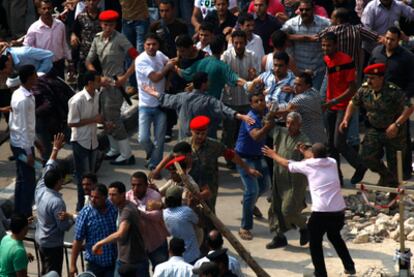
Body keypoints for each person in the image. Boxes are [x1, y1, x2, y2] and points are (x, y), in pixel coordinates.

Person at [264, 142, 356, 276]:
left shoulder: (307, 165)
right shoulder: (332, 162)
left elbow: (286, 163)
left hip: (321, 213)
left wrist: (273, 155)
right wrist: (304, 152)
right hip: (339, 211)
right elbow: (315, 156)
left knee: (315, 242)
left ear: (313, 155)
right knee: (335, 236)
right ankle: (349, 266)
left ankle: (320, 273)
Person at [339, 63, 414, 187]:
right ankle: (386, 176)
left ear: (381, 78)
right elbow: (353, 103)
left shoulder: (393, 91)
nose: (369, 81)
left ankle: (392, 197)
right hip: (375, 129)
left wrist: (397, 124)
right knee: (365, 157)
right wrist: (346, 119)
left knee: (394, 164)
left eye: (372, 78)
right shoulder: (365, 89)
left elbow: (410, 107)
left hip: (394, 132)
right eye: (368, 77)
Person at [86, 10, 138, 166]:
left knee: (114, 118)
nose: (107, 27)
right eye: (105, 24)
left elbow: (137, 57)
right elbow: (89, 60)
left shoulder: (120, 39)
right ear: (101, 24)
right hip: (102, 83)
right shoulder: (97, 39)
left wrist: (125, 77)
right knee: (104, 116)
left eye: (111, 24)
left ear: (115, 25)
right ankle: (114, 149)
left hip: (116, 83)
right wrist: (96, 77)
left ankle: (126, 154)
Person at [142, 71, 254, 140]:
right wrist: (242, 116)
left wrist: (151, 92)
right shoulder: (209, 100)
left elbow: (165, 98)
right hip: (204, 142)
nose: (209, 83)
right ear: (204, 84)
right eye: (208, 81)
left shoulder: (182, 97)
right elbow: (225, 110)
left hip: (185, 141)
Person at [183, 116, 262, 213]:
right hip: (190, 184)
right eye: (197, 133)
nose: (200, 136)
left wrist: (247, 168)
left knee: (208, 212)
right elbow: (170, 158)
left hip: (209, 185)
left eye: (203, 133)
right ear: (191, 131)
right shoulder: (184, 145)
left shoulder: (214, 145)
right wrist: (158, 170)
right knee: (188, 210)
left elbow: (231, 155)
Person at [321, 32, 367, 185]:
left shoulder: (347, 61)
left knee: (339, 142)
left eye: (328, 45)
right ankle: (336, 178)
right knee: (330, 144)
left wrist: (332, 101)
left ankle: (360, 165)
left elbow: (352, 89)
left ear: (336, 45)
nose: (325, 48)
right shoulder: (326, 59)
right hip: (330, 106)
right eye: (323, 45)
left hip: (343, 107)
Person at [369, 26, 414, 180]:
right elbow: (368, 74)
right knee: (377, 137)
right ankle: (387, 174)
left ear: (399, 40)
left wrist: (404, 97)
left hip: (398, 106)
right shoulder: (376, 53)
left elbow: (412, 81)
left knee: (402, 139)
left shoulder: (407, 57)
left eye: (392, 40)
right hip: (377, 105)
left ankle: (405, 171)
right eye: (387, 38)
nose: (388, 42)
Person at [262, 112, 310, 249]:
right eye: (288, 122)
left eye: (293, 123)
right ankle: (279, 237)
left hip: (294, 182)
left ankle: (304, 226)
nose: (289, 126)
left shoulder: (303, 140)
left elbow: (309, 156)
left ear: (299, 125)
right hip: (278, 178)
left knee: (288, 210)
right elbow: (267, 122)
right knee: (274, 209)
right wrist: (273, 113)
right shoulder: (280, 132)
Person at [35, 133, 75, 276]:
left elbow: (49, 166)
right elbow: (63, 226)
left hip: (40, 239)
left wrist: (55, 149)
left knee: (45, 271)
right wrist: (72, 219)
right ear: (59, 182)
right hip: (52, 245)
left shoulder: (40, 188)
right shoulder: (57, 202)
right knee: (52, 273)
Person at [92, 181, 149, 277]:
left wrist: (99, 243)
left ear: (123, 195)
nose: (110, 198)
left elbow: (120, 233)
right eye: (109, 194)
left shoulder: (127, 210)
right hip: (124, 258)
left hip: (133, 262)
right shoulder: (123, 206)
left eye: (114, 195)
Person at [235, 92, 272, 241]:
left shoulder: (266, 112)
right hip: (244, 159)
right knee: (252, 190)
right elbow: (256, 136)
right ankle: (245, 227)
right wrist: (268, 127)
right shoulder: (250, 118)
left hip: (259, 156)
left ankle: (248, 204)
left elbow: (275, 112)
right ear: (251, 104)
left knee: (265, 185)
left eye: (262, 100)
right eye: (257, 101)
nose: (260, 103)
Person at [135, 33, 173, 170]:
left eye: (154, 44)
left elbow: (171, 63)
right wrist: (167, 68)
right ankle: (152, 154)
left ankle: (155, 164)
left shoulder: (160, 55)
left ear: (158, 45)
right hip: (145, 105)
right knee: (143, 138)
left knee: (160, 139)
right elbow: (156, 77)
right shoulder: (141, 60)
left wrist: (168, 80)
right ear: (144, 45)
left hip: (160, 104)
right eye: (148, 44)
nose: (151, 47)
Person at [221, 30, 260, 160]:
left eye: (241, 43)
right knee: (229, 133)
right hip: (230, 101)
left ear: (246, 43)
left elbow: (257, 77)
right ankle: (229, 159)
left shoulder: (252, 55)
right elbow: (224, 76)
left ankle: (243, 156)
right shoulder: (226, 56)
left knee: (244, 133)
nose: (238, 46)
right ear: (232, 42)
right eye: (236, 43)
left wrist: (253, 76)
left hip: (246, 102)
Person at [68, 71, 102, 212]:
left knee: (91, 176)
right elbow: (71, 122)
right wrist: (93, 120)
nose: (99, 83)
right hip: (80, 141)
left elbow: (97, 116)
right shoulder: (77, 100)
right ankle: (81, 206)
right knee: (83, 177)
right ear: (89, 83)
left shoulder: (97, 95)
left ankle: (92, 203)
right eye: (97, 80)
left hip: (92, 140)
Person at [9, 65, 39, 218]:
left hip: (21, 143)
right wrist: (28, 152)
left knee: (22, 179)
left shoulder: (20, 94)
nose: (37, 78)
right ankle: (25, 215)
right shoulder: (23, 100)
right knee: (28, 181)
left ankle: (19, 212)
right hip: (22, 145)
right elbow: (22, 128)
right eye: (35, 75)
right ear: (29, 78)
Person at [177, 35, 247, 100]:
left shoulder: (200, 62)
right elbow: (236, 80)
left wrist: (174, 67)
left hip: (198, 102)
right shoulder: (222, 66)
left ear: (210, 47)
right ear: (223, 48)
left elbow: (184, 74)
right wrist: (250, 84)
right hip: (212, 104)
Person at [70, 184, 117, 277]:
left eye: (96, 197)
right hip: (95, 264)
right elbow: (78, 240)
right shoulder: (85, 213)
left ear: (105, 197)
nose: (93, 200)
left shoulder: (113, 208)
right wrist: (72, 265)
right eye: (91, 197)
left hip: (113, 262)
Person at [282, 0, 330, 90]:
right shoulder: (291, 24)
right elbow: (279, 37)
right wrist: (305, 38)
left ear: (313, 10)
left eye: (307, 10)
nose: (304, 12)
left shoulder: (325, 23)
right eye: (301, 10)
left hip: (318, 71)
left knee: (316, 100)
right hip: (299, 72)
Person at [125, 171, 169, 270]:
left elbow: (157, 216)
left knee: (161, 271)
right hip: (139, 245)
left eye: (139, 185)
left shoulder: (154, 196)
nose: (135, 188)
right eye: (133, 185)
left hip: (157, 242)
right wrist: (145, 211)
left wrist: (138, 212)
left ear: (146, 185)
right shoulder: (128, 197)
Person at [24, 0, 71, 78]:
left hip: (59, 64)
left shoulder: (60, 25)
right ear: (39, 10)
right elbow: (27, 48)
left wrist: (69, 60)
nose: (47, 11)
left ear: (52, 9)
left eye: (49, 8)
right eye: (44, 8)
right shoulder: (33, 28)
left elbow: (64, 44)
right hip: (42, 65)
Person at [275, 72, 326, 144]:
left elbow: (285, 113)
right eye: (294, 84)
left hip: (309, 141)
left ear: (308, 86)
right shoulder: (315, 92)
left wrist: (270, 112)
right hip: (321, 137)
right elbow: (323, 106)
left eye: (299, 85)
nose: (295, 87)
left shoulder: (300, 99)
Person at [163, 186, 200, 264]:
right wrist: (191, 206)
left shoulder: (164, 213)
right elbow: (198, 222)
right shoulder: (187, 211)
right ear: (179, 199)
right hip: (192, 254)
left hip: (176, 255)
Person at [70, 0, 102, 88]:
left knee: (98, 83)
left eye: (94, 0)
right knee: (83, 82)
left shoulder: (103, 16)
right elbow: (74, 31)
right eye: (89, 0)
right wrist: (73, 36)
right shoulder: (81, 16)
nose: (91, 2)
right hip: (84, 54)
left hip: (100, 55)